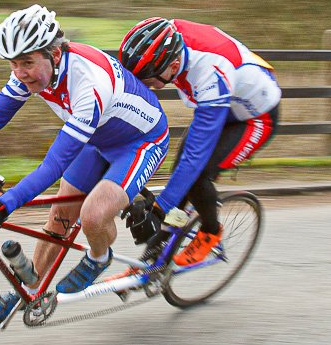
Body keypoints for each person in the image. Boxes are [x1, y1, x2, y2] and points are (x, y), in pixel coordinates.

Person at [0, 5, 169, 322]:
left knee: (93, 214)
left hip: (139, 143)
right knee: (59, 218)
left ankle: (99, 257)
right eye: (13, 64)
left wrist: (3, 206)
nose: (20, 72)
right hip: (97, 139)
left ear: (54, 53)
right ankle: (30, 291)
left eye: (26, 63)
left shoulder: (88, 84)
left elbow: (52, 166)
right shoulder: (34, 70)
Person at [115, 16, 281, 267]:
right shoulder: (165, 38)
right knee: (180, 171)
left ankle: (211, 231)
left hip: (255, 118)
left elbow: (196, 158)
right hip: (225, 103)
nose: (146, 86)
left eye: (149, 80)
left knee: (197, 173)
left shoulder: (211, 72)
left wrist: (159, 210)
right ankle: (158, 252)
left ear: (173, 64)